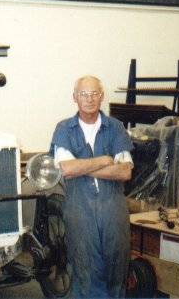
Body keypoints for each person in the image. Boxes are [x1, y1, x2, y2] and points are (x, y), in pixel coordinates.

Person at [49, 75, 134, 298]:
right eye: (84, 94)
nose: (89, 99)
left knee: (117, 264)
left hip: (113, 207)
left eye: (94, 93)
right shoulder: (64, 129)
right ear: (74, 97)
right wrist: (104, 160)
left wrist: (82, 166)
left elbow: (125, 171)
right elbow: (66, 169)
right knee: (84, 267)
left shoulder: (115, 127)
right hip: (79, 208)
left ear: (102, 96)